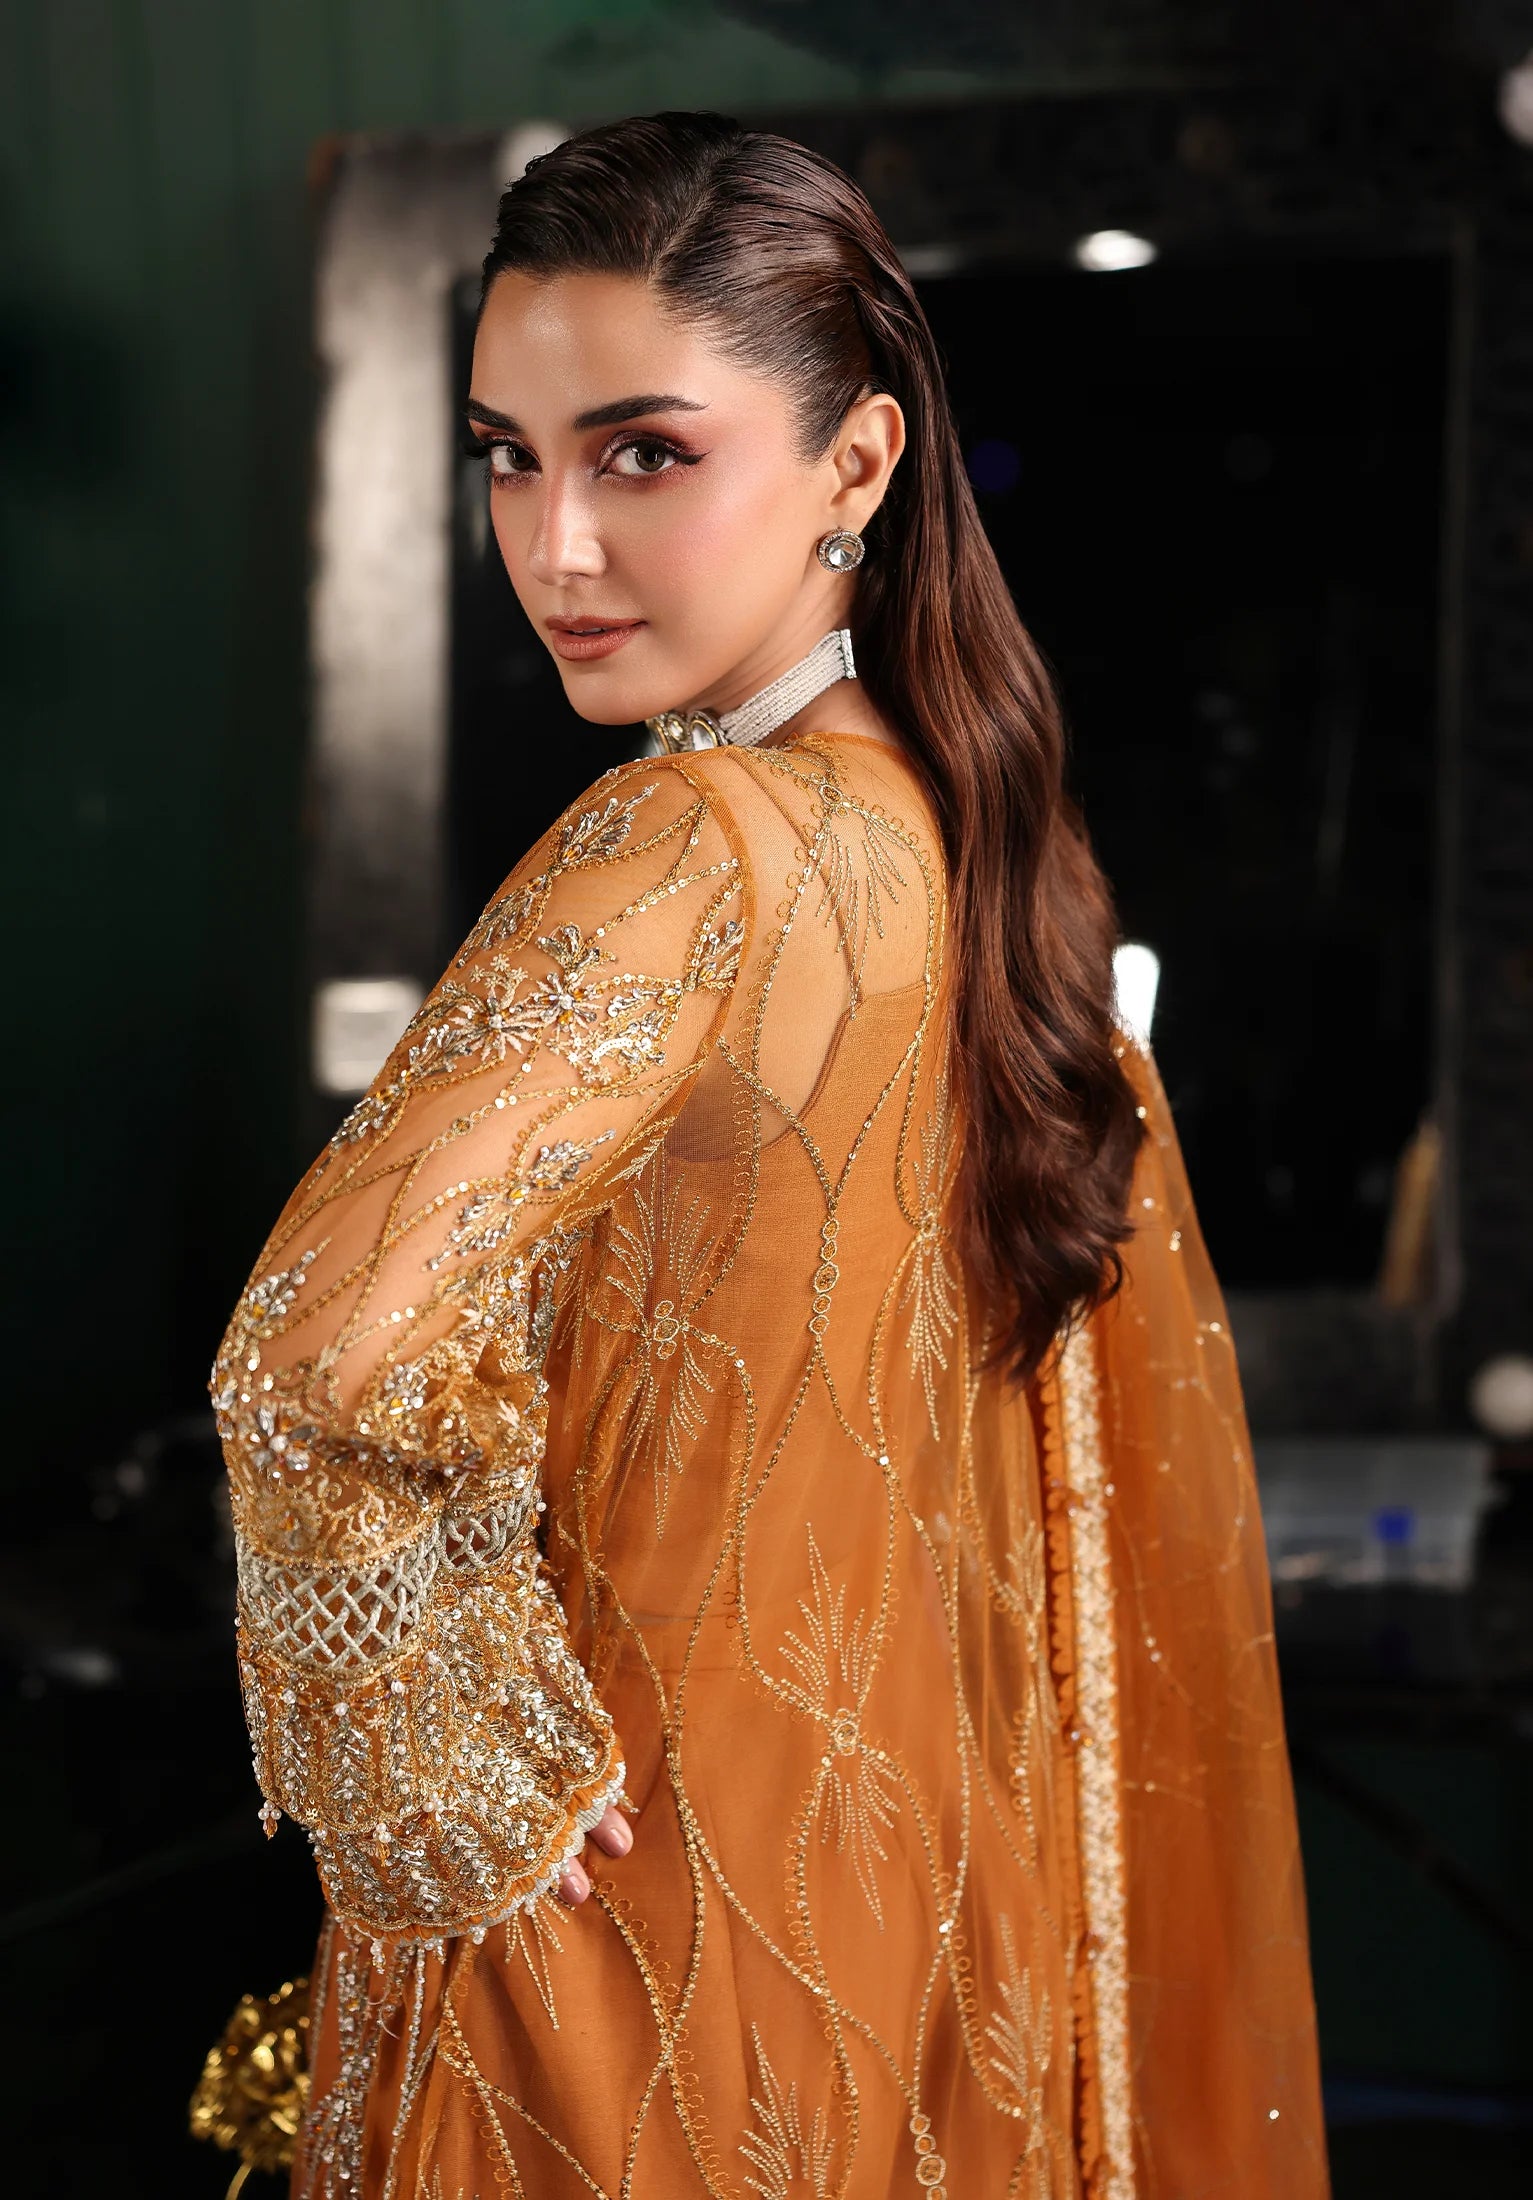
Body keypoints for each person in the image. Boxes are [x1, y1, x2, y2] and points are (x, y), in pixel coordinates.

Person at [212, 109, 1328, 2200]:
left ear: (856, 461)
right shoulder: (976, 861)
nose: (552, 543)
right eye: (505, 455)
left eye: (641, 450)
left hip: (624, 1951)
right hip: (907, 1917)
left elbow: (311, 1361)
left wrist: (461, 1795)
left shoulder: (686, 846)